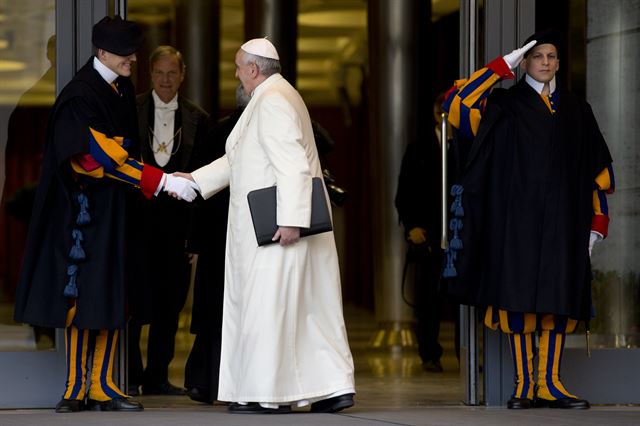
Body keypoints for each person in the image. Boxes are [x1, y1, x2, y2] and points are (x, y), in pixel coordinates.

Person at [12, 16, 198, 413]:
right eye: (125, 53)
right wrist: (161, 181)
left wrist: (142, 173)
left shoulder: (121, 88)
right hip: (83, 217)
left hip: (115, 213)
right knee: (81, 299)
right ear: (103, 52)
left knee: (112, 295)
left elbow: (123, 153)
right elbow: (98, 158)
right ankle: (78, 388)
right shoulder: (80, 95)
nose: (133, 58)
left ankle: (103, 385)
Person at [174, 38, 355, 414]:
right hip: (274, 227)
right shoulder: (276, 96)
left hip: (275, 231)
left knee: (270, 311)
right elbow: (236, 158)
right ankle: (330, 388)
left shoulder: (272, 102)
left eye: (239, 67)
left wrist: (290, 221)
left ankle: (267, 396)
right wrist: (194, 180)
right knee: (304, 313)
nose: (237, 74)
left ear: (253, 70)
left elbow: (292, 164)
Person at [442, 29, 614, 410]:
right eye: (538, 57)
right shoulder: (503, 105)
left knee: (557, 301)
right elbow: (459, 105)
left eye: (552, 56)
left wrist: (596, 224)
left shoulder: (576, 109)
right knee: (519, 303)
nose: (547, 63)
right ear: (526, 62)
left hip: (565, 225)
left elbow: (596, 170)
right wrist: (503, 65)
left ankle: (549, 384)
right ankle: (524, 385)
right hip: (514, 224)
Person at [127, 45, 209, 397]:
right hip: (137, 224)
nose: (165, 80)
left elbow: (206, 181)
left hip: (178, 228)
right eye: (159, 73)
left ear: (182, 75)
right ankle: (129, 373)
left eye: (172, 73)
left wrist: (195, 238)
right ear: (149, 74)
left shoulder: (198, 119)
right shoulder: (130, 109)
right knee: (133, 301)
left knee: (170, 305)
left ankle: (157, 377)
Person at [183, 85, 249, 404]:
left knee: (215, 311)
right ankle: (209, 381)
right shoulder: (221, 132)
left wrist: (196, 239)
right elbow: (203, 185)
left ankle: (204, 382)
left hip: (217, 233)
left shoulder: (217, 130)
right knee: (222, 310)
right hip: (226, 232)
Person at [395, 95, 447, 373]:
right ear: (434, 111)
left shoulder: (466, 144)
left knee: (464, 297)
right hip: (427, 234)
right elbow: (404, 193)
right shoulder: (418, 148)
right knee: (428, 299)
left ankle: (470, 355)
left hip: (458, 234)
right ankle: (429, 353)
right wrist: (411, 227)